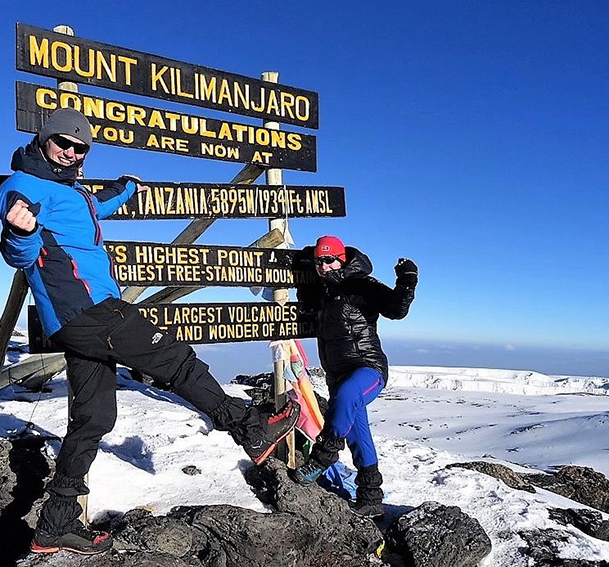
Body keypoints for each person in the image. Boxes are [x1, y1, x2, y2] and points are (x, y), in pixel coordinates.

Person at [0, 108, 300, 555]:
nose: (70, 151)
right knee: (175, 360)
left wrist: (127, 187)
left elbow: (94, 207)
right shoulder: (21, 186)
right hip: (89, 312)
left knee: (94, 418)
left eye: (79, 147)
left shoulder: (70, 190)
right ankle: (249, 428)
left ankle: (54, 524)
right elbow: (19, 254)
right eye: (62, 141)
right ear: (44, 140)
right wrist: (17, 232)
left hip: (79, 320)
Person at [289, 235, 417, 518]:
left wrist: (407, 284)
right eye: (318, 262)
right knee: (359, 436)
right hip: (336, 375)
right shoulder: (319, 291)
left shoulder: (360, 284)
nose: (323, 266)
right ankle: (371, 497)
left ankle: (323, 456)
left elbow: (395, 309)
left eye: (329, 260)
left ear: (342, 259)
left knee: (348, 395)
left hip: (368, 369)